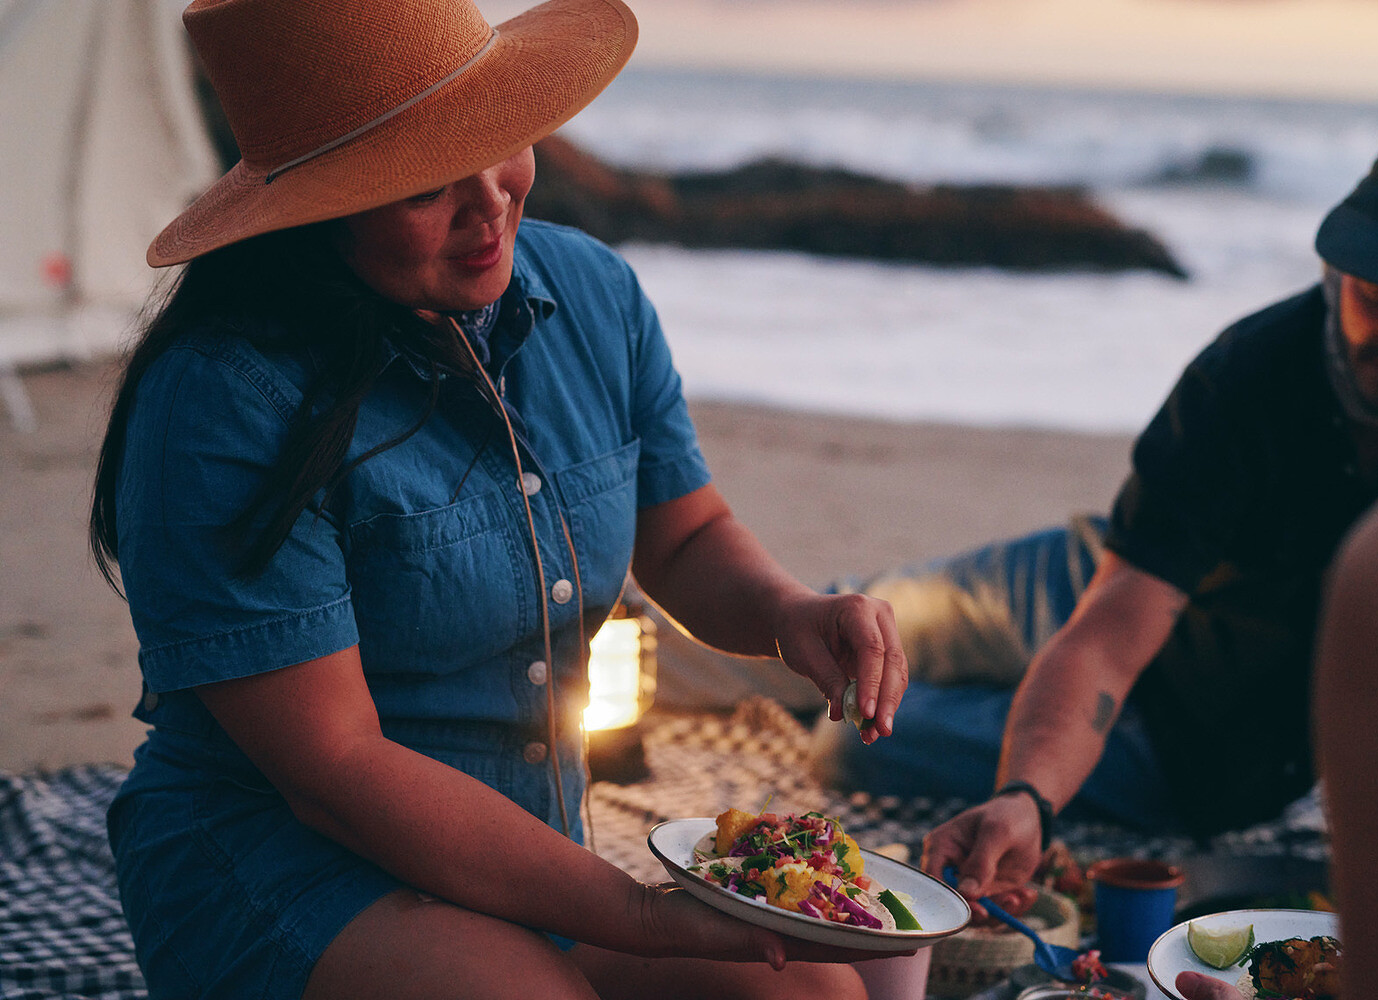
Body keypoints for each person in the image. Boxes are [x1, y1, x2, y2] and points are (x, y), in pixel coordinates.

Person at [86, 1, 909, 997]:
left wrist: (790, 613)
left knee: (815, 989)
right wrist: (641, 916)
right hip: (284, 857)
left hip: (523, 849)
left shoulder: (594, 293)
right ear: (320, 208)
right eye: (426, 185)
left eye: (497, 141)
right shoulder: (222, 397)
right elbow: (335, 772)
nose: (491, 205)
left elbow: (687, 535)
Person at [889, 116, 1378, 910]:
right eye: (1377, 292)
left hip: (1171, 733)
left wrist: (1026, 796)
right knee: (850, 623)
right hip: (1111, 578)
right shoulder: (1245, 376)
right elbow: (1109, 633)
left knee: (854, 736)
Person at [1177, 76, 1378, 1000]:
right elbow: (1121, 612)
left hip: (1195, 636)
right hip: (1158, 592)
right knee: (910, 610)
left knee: (891, 716)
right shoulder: (1254, 364)